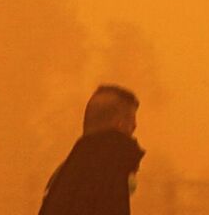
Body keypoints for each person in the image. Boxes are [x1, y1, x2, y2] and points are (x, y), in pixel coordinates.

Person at [38, 85, 145, 215]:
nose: (134, 127)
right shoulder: (111, 169)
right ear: (120, 124)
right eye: (132, 123)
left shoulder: (62, 176)